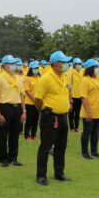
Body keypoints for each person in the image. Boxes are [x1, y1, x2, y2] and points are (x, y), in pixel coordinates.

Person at [35, 51, 72, 186]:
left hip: (63, 116)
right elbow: (38, 99)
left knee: (61, 146)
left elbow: (66, 92)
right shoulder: (45, 78)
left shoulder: (64, 76)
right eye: (63, 62)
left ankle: (59, 172)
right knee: (46, 146)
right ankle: (41, 175)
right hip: (50, 116)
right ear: (56, 64)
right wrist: (44, 111)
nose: (66, 64)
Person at [0, 55, 26, 167]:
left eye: (14, 63)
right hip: (4, 107)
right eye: (11, 64)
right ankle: (3, 159)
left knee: (15, 134)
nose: (13, 66)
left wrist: (24, 111)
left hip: (17, 108)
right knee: (3, 134)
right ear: (5, 65)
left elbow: (22, 95)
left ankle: (13, 157)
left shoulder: (18, 78)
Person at [79, 59, 99, 159]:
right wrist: (88, 112)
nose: (98, 69)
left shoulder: (98, 79)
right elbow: (83, 97)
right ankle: (85, 153)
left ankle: (94, 151)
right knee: (87, 132)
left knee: (95, 132)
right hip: (89, 110)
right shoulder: (85, 80)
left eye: (98, 67)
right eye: (96, 67)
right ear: (91, 68)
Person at [23, 61, 41, 141]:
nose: (36, 70)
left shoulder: (40, 78)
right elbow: (27, 91)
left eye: (37, 68)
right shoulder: (27, 78)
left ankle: (34, 134)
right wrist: (34, 99)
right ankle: (27, 135)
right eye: (34, 68)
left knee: (36, 120)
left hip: (38, 103)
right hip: (29, 103)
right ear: (31, 69)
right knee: (29, 120)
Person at [67, 58, 84, 133]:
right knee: (71, 112)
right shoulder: (70, 72)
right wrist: (69, 97)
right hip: (72, 96)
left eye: (80, 64)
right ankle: (71, 127)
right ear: (74, 65)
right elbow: (68, 85)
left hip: (79, 96)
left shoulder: (82, 72)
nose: (79, 65)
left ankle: (76, 127)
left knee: (77, 113)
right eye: (78, 64)